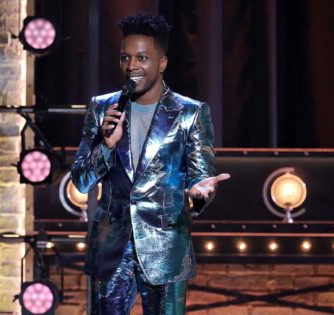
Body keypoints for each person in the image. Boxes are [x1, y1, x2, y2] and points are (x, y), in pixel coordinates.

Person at [71, 12, 230, 315]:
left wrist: (199, 196)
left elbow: (201, 178)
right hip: (111, 247)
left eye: (142, 58)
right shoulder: (102, 108)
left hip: (166, 246)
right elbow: (81, 181)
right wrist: (106, 144)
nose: (132, 66)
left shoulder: (190, 113)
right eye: (125, 57)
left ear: (162, 63)